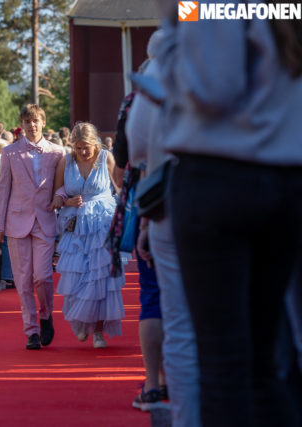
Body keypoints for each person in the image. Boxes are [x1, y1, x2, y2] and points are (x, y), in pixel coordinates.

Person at [155, 1, 302, 424]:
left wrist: (170, 24)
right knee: (261, 364)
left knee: (224, 369)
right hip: (283, 178)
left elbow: (212, 90)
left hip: (218, 177)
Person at [126, 31, 194, 418]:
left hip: (173, 203)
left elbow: (137, 151)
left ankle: (170, 397)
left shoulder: (157, 79)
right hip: (265, 198)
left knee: (172, 310)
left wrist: (145, 225)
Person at [0, 104, 64, 350]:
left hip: (45, 220)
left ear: (43, 122)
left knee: (42, 276)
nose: (31, 125)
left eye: (35, 121)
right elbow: (3, 189)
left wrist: (60, 196)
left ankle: (46, 315)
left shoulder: (57, 152)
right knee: (23, 281)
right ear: (21, 125)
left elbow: (62, 185)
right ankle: (31, 331)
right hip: (17, 221)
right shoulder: (10, 152)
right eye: (27, 121)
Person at [52, 122, 125, 349]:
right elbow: (56, 196)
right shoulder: (66, 161)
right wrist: (67, 201)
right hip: (75, 227)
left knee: (100, 277)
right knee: (76, 277)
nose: (83, 152)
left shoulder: (106, 158)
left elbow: (120, 188)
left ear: (96, 143)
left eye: (87, 147)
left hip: (102, 225)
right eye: (78, 147)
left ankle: (98, 331)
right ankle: (82, 321)